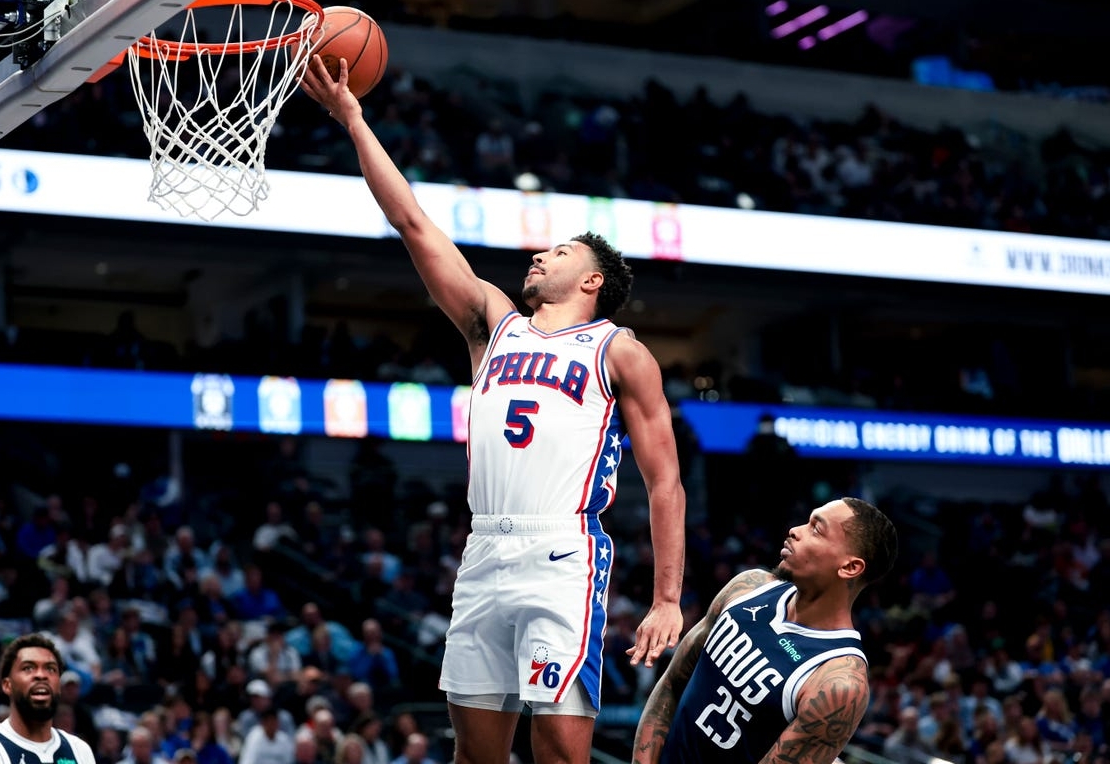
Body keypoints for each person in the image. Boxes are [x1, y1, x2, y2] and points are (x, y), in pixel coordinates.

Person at [300, 56, 687, 764]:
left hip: (561, 552)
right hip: (482, 551)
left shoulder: (619, 351)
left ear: (592, 281)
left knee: (559, 754)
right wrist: (353, 119)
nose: (539, 256)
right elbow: (413, 223)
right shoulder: (493, 325)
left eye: (559, 252)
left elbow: (665, 481)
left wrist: (666, 598)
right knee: (474, 756)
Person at [632, 497, 898, 764]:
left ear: (850, 567)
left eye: (816, 529)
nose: (795, 530)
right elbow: (671, 686)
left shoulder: (839, 681)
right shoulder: (748, 587)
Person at [0, 633, 97, 763]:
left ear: (58, 686)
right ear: (7, 685)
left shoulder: (80, 751)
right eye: (28, 668)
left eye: (50, 668)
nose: (41, 675)